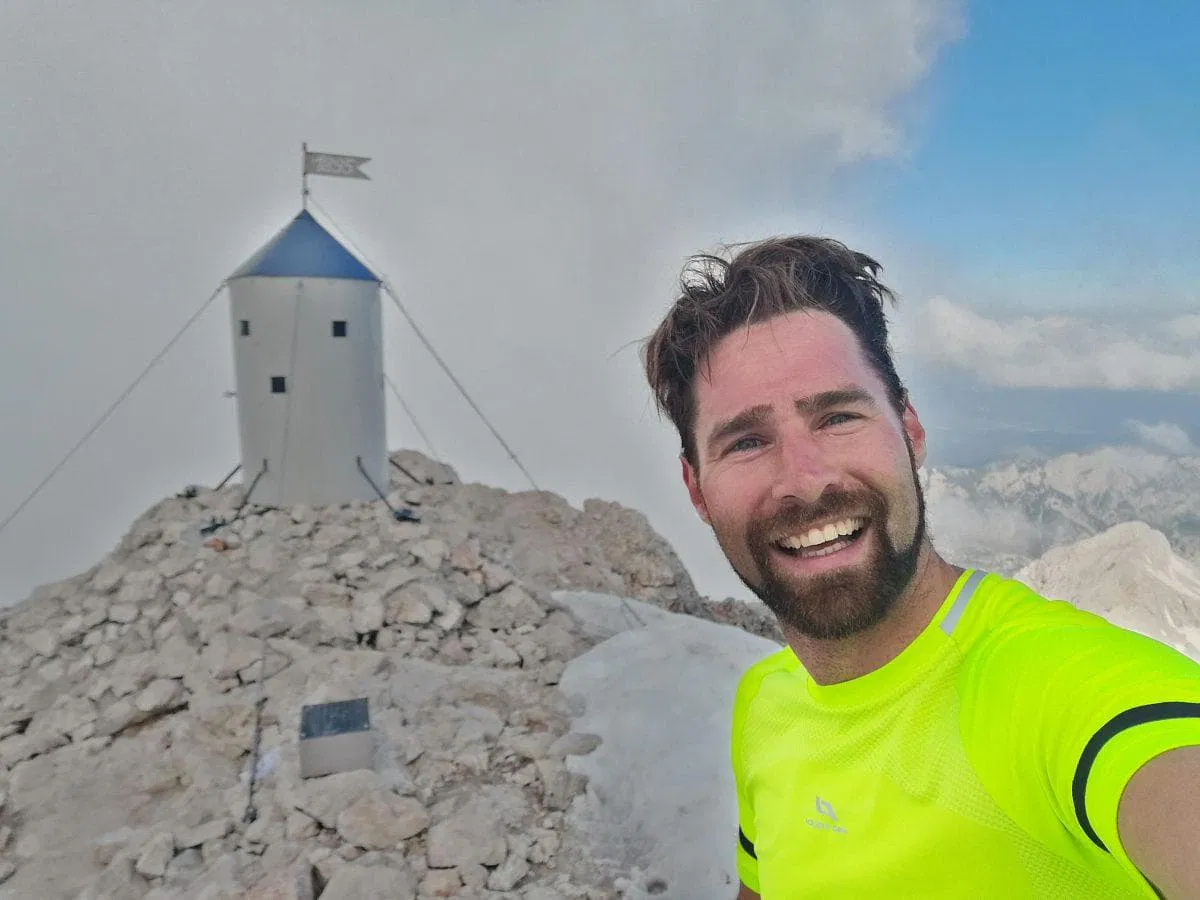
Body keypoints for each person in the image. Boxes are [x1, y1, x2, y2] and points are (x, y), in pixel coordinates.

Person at [640, 236, 1200, 899]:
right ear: (696, 489)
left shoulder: (1051, 686)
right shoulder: (764, 702)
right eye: (748, 441)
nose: (806, 480)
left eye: (838, 415)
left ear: (910, 430)